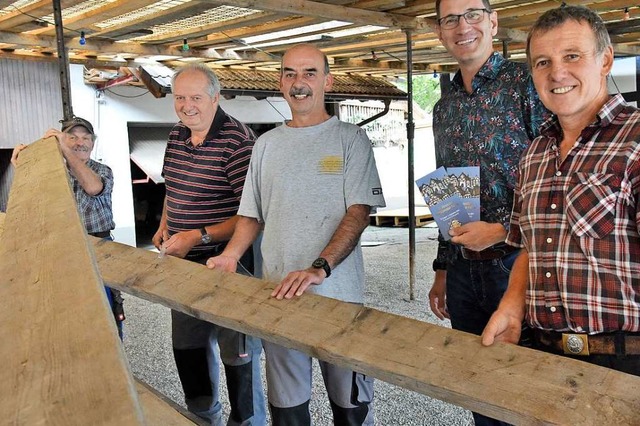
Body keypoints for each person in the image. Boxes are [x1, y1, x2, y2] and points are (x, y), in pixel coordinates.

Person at [206, 43, 385, 425]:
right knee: (288, 410)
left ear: (327, 81)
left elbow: (358, 213)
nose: (298, 82)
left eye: (309, 73)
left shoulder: (350, 139)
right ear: (280, 81)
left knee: (351, 408)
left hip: (338, 298)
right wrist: (231, 255)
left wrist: (320, 267)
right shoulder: (266, 145)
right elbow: (252, 214)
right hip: (279, 295)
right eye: (290, 73)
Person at [482, 5, 640, 377]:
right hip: (545, 356)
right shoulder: (536, 152)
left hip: (626, 364)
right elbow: (529, 247)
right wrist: (510, 307)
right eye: (542, 62)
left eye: (572, 56)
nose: (557, 73)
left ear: (605, 60)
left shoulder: (636, 140)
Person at [427, 1, 549, 424]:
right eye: (450, 19)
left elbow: (556, 177)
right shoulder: (444, 107)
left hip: (519, 266)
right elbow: (446, 190)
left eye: (473, 14)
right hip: (463, 273)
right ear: (440, 32)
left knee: (525, 389)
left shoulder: (527, 85)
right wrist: (443, 269)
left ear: (493, 22)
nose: (463, 27)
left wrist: (501, 231)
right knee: (479, 388)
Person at [152, 63, 266, 425]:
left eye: (196, 97)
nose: (187, 106)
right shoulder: (176, 136)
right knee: (188, 349)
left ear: (216, 97)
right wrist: (165, 223)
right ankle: (203, 416)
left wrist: (196, 235)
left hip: (230, 262)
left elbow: (252, 213)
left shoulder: (238, 140)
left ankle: (247, 420)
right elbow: (173, 187)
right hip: (182, 262)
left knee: (239, 355)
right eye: (180, 97)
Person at [11, 117, 124, 337]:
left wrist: (66, 152)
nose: (79, 142)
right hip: (60, 248)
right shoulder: (48, 173)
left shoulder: (102, 171)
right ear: (62, 139)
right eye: (71, 137)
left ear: (93, 143)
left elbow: (92, 188)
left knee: (106, 310)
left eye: (85, 138)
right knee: (68, 309)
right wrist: (22, 167)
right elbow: (33, 206)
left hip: (99, 247)